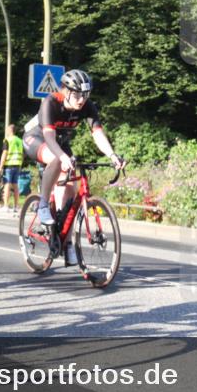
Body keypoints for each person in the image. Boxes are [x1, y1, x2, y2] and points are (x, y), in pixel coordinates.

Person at [23, 69, 125, 265]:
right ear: (65, 91)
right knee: (56, 159)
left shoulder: (87, 106)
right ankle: (43, 204)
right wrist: (62, 156)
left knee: (70, 186)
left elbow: (97, 134)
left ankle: (67, 242)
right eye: (77, 94)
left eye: (85, 95)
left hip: (60, 141)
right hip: (36, 138)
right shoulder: (51, 102)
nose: (81, 100)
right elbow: (50, 138)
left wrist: (112, 155)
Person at [0, 123, 24, 214]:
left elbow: (4, 153)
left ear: (9, 130)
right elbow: (22, 154)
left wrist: (0, 167)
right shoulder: (20, 140)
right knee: (15, 185)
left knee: (7, 185)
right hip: (17, 164)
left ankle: (6, 206)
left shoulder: (7, 140)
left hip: (9, 164)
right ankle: (16, 206)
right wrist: (20, 164)